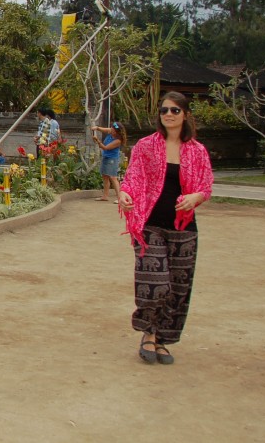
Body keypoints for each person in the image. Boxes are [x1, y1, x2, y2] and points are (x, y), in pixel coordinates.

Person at [118, 92, 213, 366]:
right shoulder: (146, 146)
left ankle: (162, 338)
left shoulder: (197, 151)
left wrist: (196, 198)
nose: (168, 115)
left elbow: (205, 186)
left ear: (185, 115)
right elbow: (133, 176)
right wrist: (126, 194)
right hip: (150, 224)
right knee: (155, 283)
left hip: (184, 228)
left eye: (174, 110)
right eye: (164, 111)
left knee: (178, 288)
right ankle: (147, 332)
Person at [92, 121, 126, 202]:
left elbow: (105, 148)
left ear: (117, 132)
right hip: (106, 157)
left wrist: (97, 140)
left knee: (113, 177)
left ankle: (119, 197)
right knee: (105, 176)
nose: (111, 130)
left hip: (112, 159)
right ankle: (105, 196)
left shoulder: (118, 140)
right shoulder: (111, 132)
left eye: (113, 130)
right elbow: (104, 130)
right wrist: (97, 128)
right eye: (111, 129)